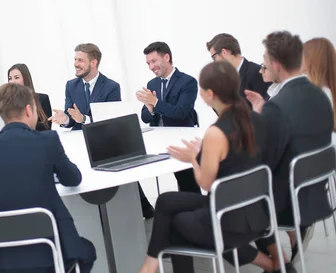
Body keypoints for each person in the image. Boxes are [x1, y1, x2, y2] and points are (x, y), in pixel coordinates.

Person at [138, 61, 277, 273]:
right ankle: (150, 264)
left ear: (210, 94)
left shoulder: (216, 132)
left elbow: (205, 182)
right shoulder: (253, 118)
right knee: (166, 201)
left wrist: (194, 158)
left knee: (173, 225)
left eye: (202, 90)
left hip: (228, 219)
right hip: (257, 209)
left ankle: (149, 267)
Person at [0, 83, 96, 273]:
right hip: (50, 251)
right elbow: (72, 179)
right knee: (86, 251)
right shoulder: (47, 141)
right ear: (29, 110)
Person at [246, 31, 333, 270]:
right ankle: (281, 257)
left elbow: (263, 162)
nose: (261, 67)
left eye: (264, 62)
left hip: (288, 201)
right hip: (314, 191)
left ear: (276, 64)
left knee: (235, 200)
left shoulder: (278, 106)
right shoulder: (321, 97)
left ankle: (277, 264)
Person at [136, 41, 201, 217]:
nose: (151, 66)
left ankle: (197, 217)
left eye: (154, 61)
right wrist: (150, 109)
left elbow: (181, 112)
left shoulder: (187, 82)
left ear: (167, 57)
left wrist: (155, 103)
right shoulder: (152, 84)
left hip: (181, 140)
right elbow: (145, 116)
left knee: (187, 182)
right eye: (148, 63)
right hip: (159, 141)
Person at [48, 43, 121, 130]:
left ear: (93, 63)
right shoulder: (70, 86)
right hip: (78, 138)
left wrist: (84, 119)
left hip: (103, 136)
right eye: (75, 59)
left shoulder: (111, 87)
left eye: (80, 60)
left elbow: (111, 120)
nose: (75, 64)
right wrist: (65, 119)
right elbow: (71, 117)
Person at [206, 33, 271, 102]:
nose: (214, 63)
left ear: (224, 52)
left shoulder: (256, 73)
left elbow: (265, 108)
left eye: (214, 58)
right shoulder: (225, 80)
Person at [7, 63, 52, 131]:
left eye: (16, 77)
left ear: (25, 78)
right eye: (10, 78)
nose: (12, 81)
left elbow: (47, 127)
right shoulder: (8, 103)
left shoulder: (42, 99)